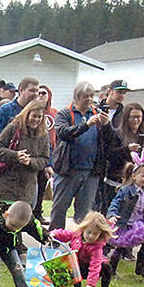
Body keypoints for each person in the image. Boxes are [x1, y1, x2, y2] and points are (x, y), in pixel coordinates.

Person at [49, 81, 112, 230]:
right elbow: (64, 133)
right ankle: (55, 241)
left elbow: (111, 140)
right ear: (77, 97)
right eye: (86, 96)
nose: (89, 99)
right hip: (68, 170)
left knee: (84, 212)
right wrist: (86, 125)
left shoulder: (97, 113)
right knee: (59, 209)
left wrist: (107, 125)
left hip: (90, 171)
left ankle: (81, 244)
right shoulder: (65, 113)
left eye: (91, 96)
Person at [0, 101, 50, 219]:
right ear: (27, 114)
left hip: (27, 187)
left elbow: (45, 159)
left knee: (21, 221)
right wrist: (15, 155)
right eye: (34, 116)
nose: (36, 120)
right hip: (8, 185)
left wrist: (30, 162)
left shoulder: (43, 135)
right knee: (6, 221)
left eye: (39, 117)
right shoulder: (13, 127)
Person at [106, 162, 144, 279]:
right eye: (143, 176)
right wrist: (112, 214)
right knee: (122, 246)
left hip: (140, 223)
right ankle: (112, 268)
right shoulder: (126, 190)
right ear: (134, 176)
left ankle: (140, 267)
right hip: (127, 223)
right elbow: (115, 203)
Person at [102, 103, 144, 216]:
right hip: (117, 184)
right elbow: (109, 155)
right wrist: (127, 149)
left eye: (139, 117)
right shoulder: (118, 134)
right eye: (133, 117)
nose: (136, 120)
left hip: (141, 185)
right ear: (126, 118)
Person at [51, 212, 115, 287]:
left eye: (95, 234)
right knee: (72, 262)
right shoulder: (76, 235)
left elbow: (95, 266)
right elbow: (63, 234)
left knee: (106, 267)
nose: (91, 236)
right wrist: (54, 234)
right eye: (89, 232)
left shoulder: (97, 247)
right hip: (79, 267)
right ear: (83, 229)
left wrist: (90, 285)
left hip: (91, 268)